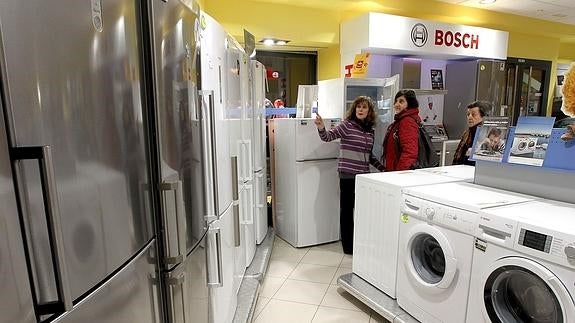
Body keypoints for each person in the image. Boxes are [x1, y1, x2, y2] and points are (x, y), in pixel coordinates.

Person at [314, 96, 384, 255]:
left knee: (361, 211)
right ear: (354, 110)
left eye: (364, 107)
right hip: (347, 175)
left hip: (363, 177)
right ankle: (348, 247)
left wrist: (383, 169)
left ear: (369, 111)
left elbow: (369, 155)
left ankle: (359, 241)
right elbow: (327, 137)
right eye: (358, 107)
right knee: (346, 210)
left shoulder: (369, 131)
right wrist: (321, 127)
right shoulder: (347, 126)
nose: (361, 109)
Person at [381, 90, 421, 171]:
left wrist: (399, 174)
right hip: (394, 170)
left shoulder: (406, 121)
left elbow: (410, 152)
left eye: (401, 101)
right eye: (396, 101)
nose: (396, 104)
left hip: (399, 173)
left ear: (409, 104)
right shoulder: (401, 120)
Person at [452, 101, 490, 165]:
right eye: (468, 114)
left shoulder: (484, 134)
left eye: (473, 114)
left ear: (482, 117)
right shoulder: (467, 133)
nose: (469, 117)